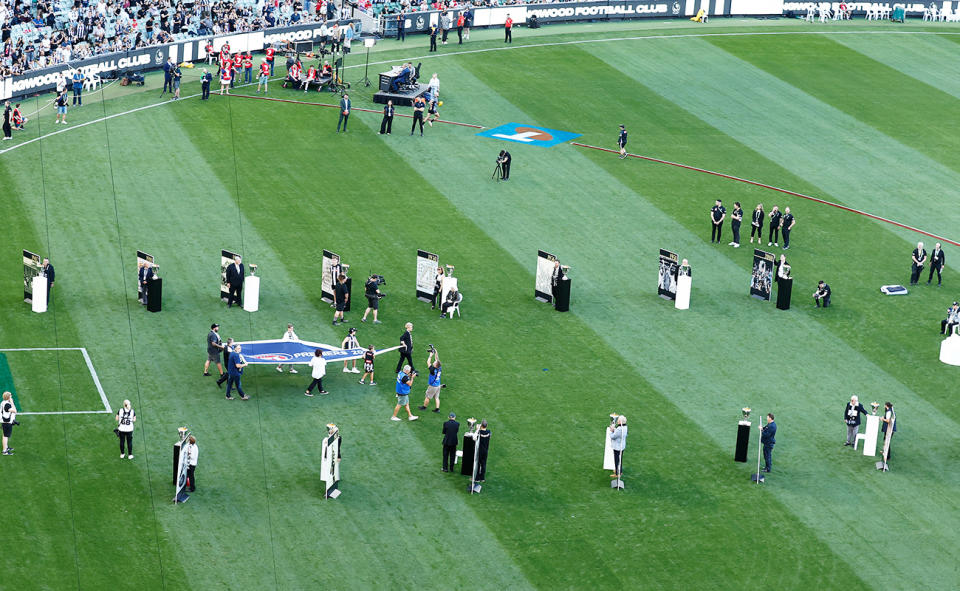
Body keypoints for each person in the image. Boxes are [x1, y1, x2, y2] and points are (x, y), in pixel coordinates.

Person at [880, 402, 896, 467]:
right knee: (885, 440)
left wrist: (882, 419)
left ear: (886, 406)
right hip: (889, 429)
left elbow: (888, 420)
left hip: (889, 429)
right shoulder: (891, 411)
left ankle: (887, 456)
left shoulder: (889, 412)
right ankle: (884, 452)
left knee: (887, 442)